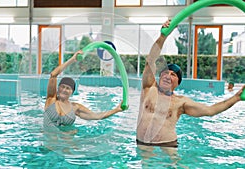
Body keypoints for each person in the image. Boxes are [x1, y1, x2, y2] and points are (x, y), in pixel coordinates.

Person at [137, 20, 245, 148]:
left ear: (178, 83)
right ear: (159, 76)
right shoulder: (149, 88)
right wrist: (163, 36)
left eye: (173, 75)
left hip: (168, 145)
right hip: (142, 145)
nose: (168, 76)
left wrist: (237, 97)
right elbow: (151, 60)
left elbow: (210, 110)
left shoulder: (181, 102)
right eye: (165, 73)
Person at [43, 50, 123, 127]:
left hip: (67, 139)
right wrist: (72, 59)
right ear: (58, 88)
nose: (64, 90)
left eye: (68, 88)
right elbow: (53, 74)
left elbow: (96, 116)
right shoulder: (51, 99)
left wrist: (116, 110)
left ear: (72, 92)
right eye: (62, 87)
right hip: (49, 138)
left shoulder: (75, 108)